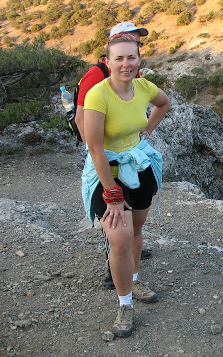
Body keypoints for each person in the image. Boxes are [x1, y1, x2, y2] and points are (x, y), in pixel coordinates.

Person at [81, 30, 170, 338]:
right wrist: (113, 194)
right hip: (107, 171)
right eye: (118, 58)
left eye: (131, 57)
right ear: (108, 62)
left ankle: (133, 280)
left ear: (139, 60)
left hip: (138, 166)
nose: (125, 64)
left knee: (136, 229)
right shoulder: (98, 95)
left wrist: (148, 130)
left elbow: (163, 103)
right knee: (119, 237)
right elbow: (95, 148)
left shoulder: (144, 87)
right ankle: (125, 303)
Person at [74, 22, 152, 290]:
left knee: (130, 227)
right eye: (128, 39)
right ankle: (114, 272)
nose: (135, 44)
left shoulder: (134, 75)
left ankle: (128, 261)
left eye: (137, 43)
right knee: (116, 228)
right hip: (105, 158)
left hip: (130, 158)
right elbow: (81, 116)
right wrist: (94, 151)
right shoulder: (96, 76)